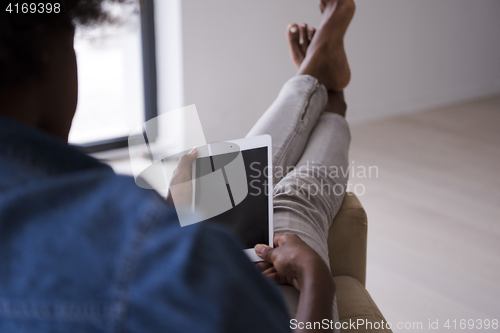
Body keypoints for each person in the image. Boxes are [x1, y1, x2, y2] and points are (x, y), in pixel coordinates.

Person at [0, 0, 355, 332]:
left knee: (242, 175)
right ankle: (326, 90)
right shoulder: (150, 256)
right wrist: (315, 278)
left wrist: (168, 214)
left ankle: (320, 83)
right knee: (292, 203)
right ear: (50, 48)